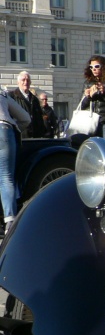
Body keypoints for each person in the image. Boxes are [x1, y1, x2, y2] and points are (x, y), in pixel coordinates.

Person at [0, 89, 31, 232]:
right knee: (6, 178)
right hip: (5, 129)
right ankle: (10, 221)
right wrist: (16, 128)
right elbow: (26, 118)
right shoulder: (3, 94)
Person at [8, 71, 45, 138]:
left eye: (28, 80)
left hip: (34, 138)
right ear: (18, 82)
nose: (26, 82)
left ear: (30, 82)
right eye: (23, 80)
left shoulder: (35, 100)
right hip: (19, 137)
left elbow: (40, 120)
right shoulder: (11, 97)